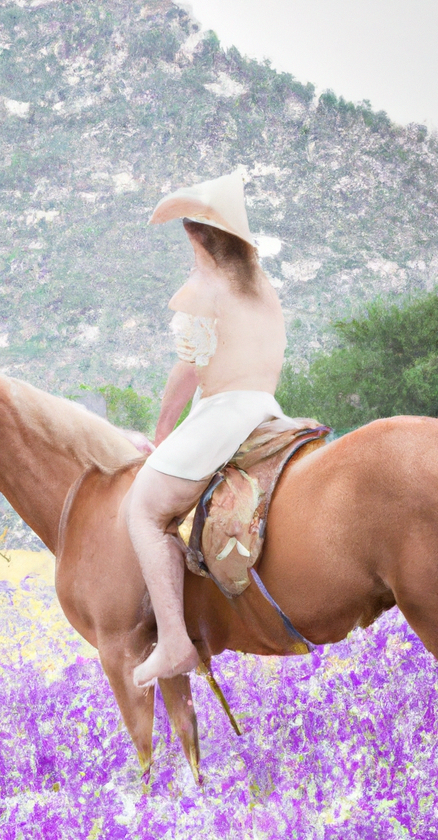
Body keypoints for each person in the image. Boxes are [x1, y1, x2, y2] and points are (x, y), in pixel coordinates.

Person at [126, 169, 295, 688]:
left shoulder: (204, 288)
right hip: (269, 410)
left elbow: (188, 371)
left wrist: (160, 433)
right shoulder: (264, 289)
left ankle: (174, 639)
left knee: (145, 509)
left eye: (190, 234)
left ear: (199, 237)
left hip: (224, 412)